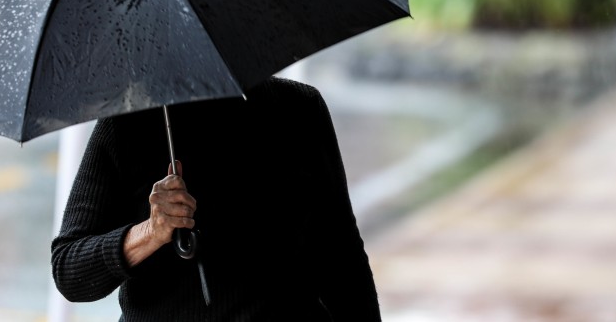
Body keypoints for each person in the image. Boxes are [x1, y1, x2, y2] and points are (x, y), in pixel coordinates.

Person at [51, 76, 382, 320]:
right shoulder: (127, 123)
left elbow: (342, 255)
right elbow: (70, 271)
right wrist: (150, 233)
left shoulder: (298, 108)